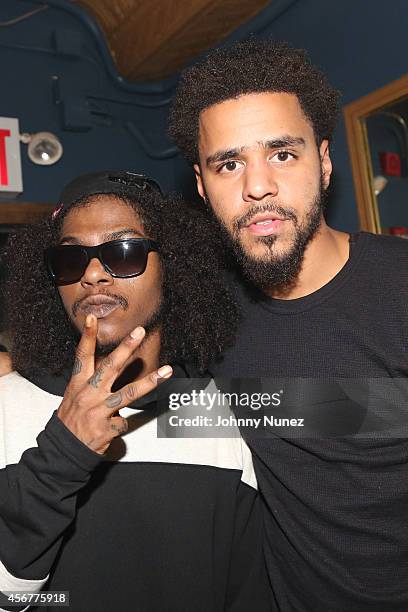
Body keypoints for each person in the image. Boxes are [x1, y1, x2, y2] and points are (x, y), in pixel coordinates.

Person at [168, 39, 408, 612]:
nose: (257, 186)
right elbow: (168, 416)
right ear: (202, 187)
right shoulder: (204, 313)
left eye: (282, 153)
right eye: (229, 163)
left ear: (324, 162)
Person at [0, 171, 271, 612]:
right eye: (71, 261)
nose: (91, 275)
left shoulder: (219, 411)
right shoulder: (6, 405)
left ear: (175, 268)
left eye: (122, 253)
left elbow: (247, 590)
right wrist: (62, 454)